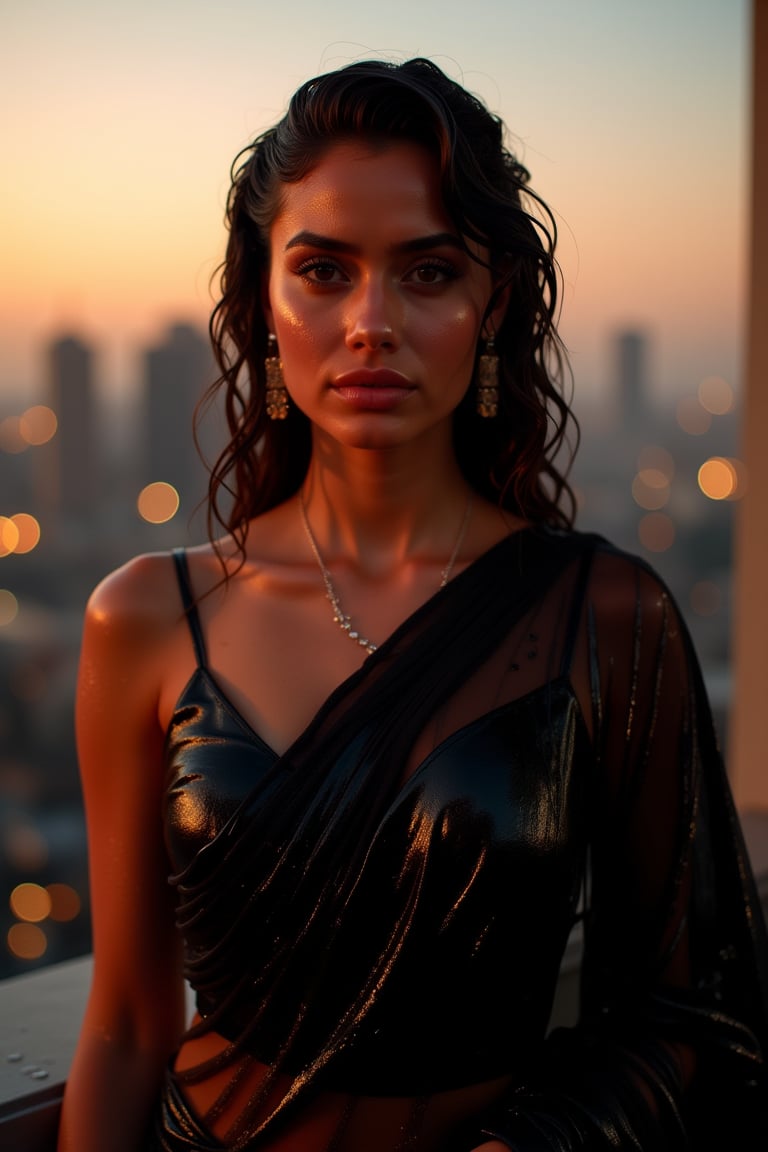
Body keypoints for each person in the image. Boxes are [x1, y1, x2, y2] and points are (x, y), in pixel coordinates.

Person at [57, 57, 768, 1152]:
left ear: (492, 307)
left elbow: (692, 1015)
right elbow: (123, 1027)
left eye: (428, 273)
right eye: (325, 271)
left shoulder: (609, 618)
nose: (370, 323)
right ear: (263, 301)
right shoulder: (146, 617)